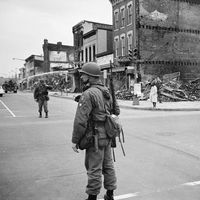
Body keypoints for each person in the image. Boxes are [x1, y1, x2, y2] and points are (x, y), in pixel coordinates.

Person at [71, 62, 120, 200]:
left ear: (90, 76)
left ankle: (92, 197)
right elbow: (116, 111)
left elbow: (80, 121)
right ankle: (110, 194)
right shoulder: (106, 91)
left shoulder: (88, 94)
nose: (81, 77)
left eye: (83, 74)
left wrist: (75, 141)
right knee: (108, 166)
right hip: (108, 135)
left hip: (95, 136)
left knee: (94, 168)